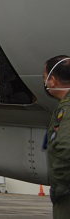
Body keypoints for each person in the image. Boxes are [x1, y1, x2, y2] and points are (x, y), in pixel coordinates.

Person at [43, 55, 70, 218]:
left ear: (52, 81)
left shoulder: (66, 110)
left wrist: (59, 185)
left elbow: (67, 149)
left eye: (45, 78)